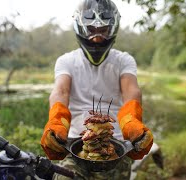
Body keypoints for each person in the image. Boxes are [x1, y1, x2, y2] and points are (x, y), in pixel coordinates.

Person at [40, 0, 153, 179]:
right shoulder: (66, 61)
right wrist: (56, 121)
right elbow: (61, 92)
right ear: (80, 27)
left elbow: (131, 91)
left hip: (116, 144)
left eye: (103, 30)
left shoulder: (124, 60)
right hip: (75, 144)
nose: (97, 37)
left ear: (113, 29)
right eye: (91, 30)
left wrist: (132, 123)